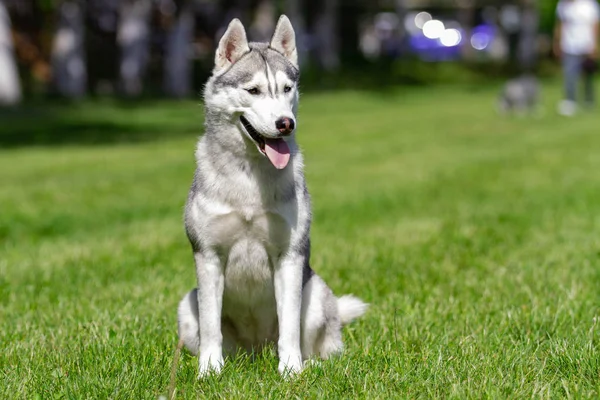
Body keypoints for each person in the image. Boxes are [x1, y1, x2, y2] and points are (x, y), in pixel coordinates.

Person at [554, 0, 600, 116]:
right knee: (569, 74)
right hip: (569, 45)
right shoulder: (562, 5)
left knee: (587, 74)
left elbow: (595, 24)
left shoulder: (590, 4)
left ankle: (588, 99)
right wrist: (557, 42)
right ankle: (570, 101)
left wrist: (595, 44)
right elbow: (560, 24)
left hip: (586, 45)